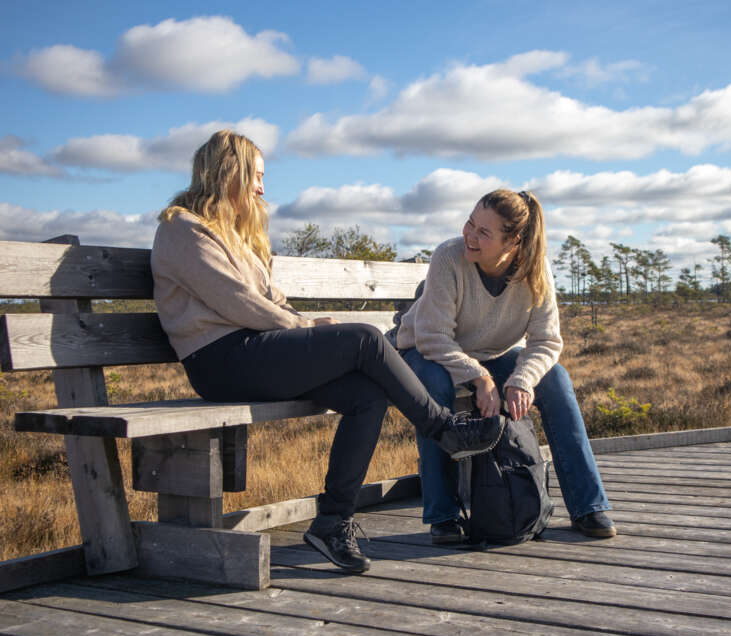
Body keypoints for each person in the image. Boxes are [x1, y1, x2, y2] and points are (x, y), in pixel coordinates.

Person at [150, 130, 504, 574]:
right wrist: (305, 327)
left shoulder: (235, 234)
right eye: (256, 175)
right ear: (230, 173)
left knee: (366, 395)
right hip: (219, 361)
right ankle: (445, 429)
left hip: (254, 350)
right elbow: (239, 303)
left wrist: (305, 328)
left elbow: (268, 298)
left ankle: (333, 522)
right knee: (365, 339)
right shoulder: (183, 228)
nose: (261, 187)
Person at [396, 189, 615, 544]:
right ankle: (444, 515)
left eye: (484, 232)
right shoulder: (449, 257)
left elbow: (547, 341)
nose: (470, 234)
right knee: (434, 386)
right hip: (427, 353)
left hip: (492, 357)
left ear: (513, 242)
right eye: (470, 223)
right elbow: (432, 337)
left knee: (556, 379)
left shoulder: (536, 270)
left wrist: (522, 380)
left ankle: (588, 506)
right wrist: (479, 377)